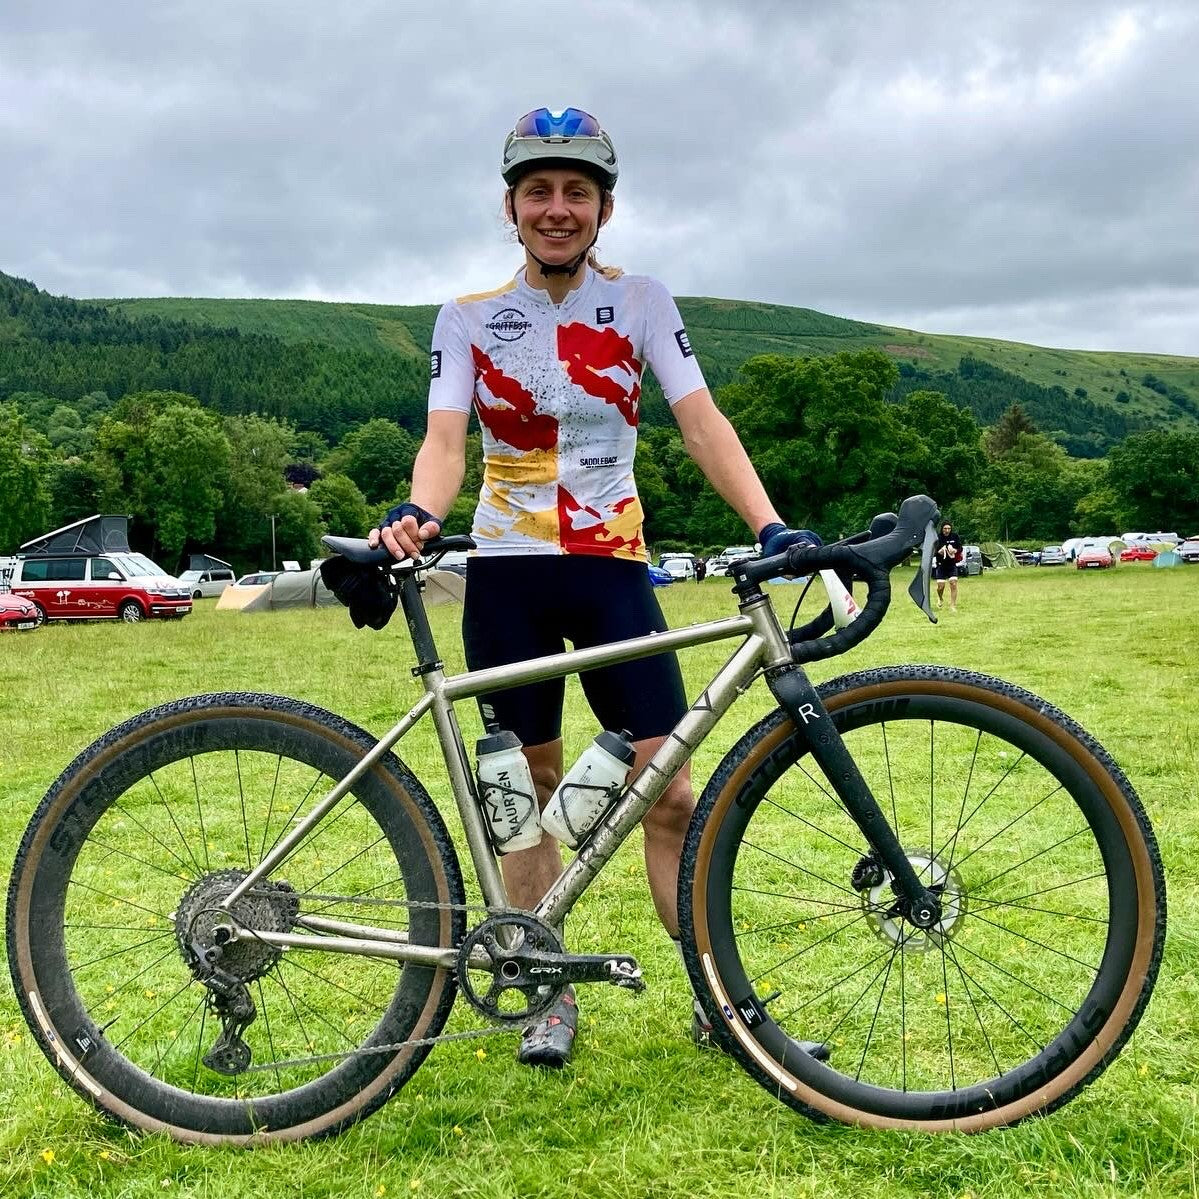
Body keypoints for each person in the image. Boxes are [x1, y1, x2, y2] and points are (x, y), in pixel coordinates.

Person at [369, 107, 818, 1068]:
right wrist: (418, 509)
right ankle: (544, 990)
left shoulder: (643, 302)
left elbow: (701, 421)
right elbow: (445, 441)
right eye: (538, 191)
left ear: (603, 209)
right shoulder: (466, 316)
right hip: (506, 574)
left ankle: (720, 1004)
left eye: (576, 192)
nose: (557, 208)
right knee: (523, 792)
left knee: (669, 789)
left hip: (611, 566)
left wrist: (768, 524)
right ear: (510, 208)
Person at [933, 520, 964, 611]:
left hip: (952, 565)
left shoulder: (955, 536)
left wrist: (955, 550)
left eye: (949, 528)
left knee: (953, 583)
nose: (947, 530)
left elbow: (960, 548)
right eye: (945, 528)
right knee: (940, 587)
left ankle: (953, 605)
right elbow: (933, 551)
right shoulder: (937, 538)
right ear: (942, 529)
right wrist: (939, 552)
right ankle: (940, 598)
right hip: (941, 565)